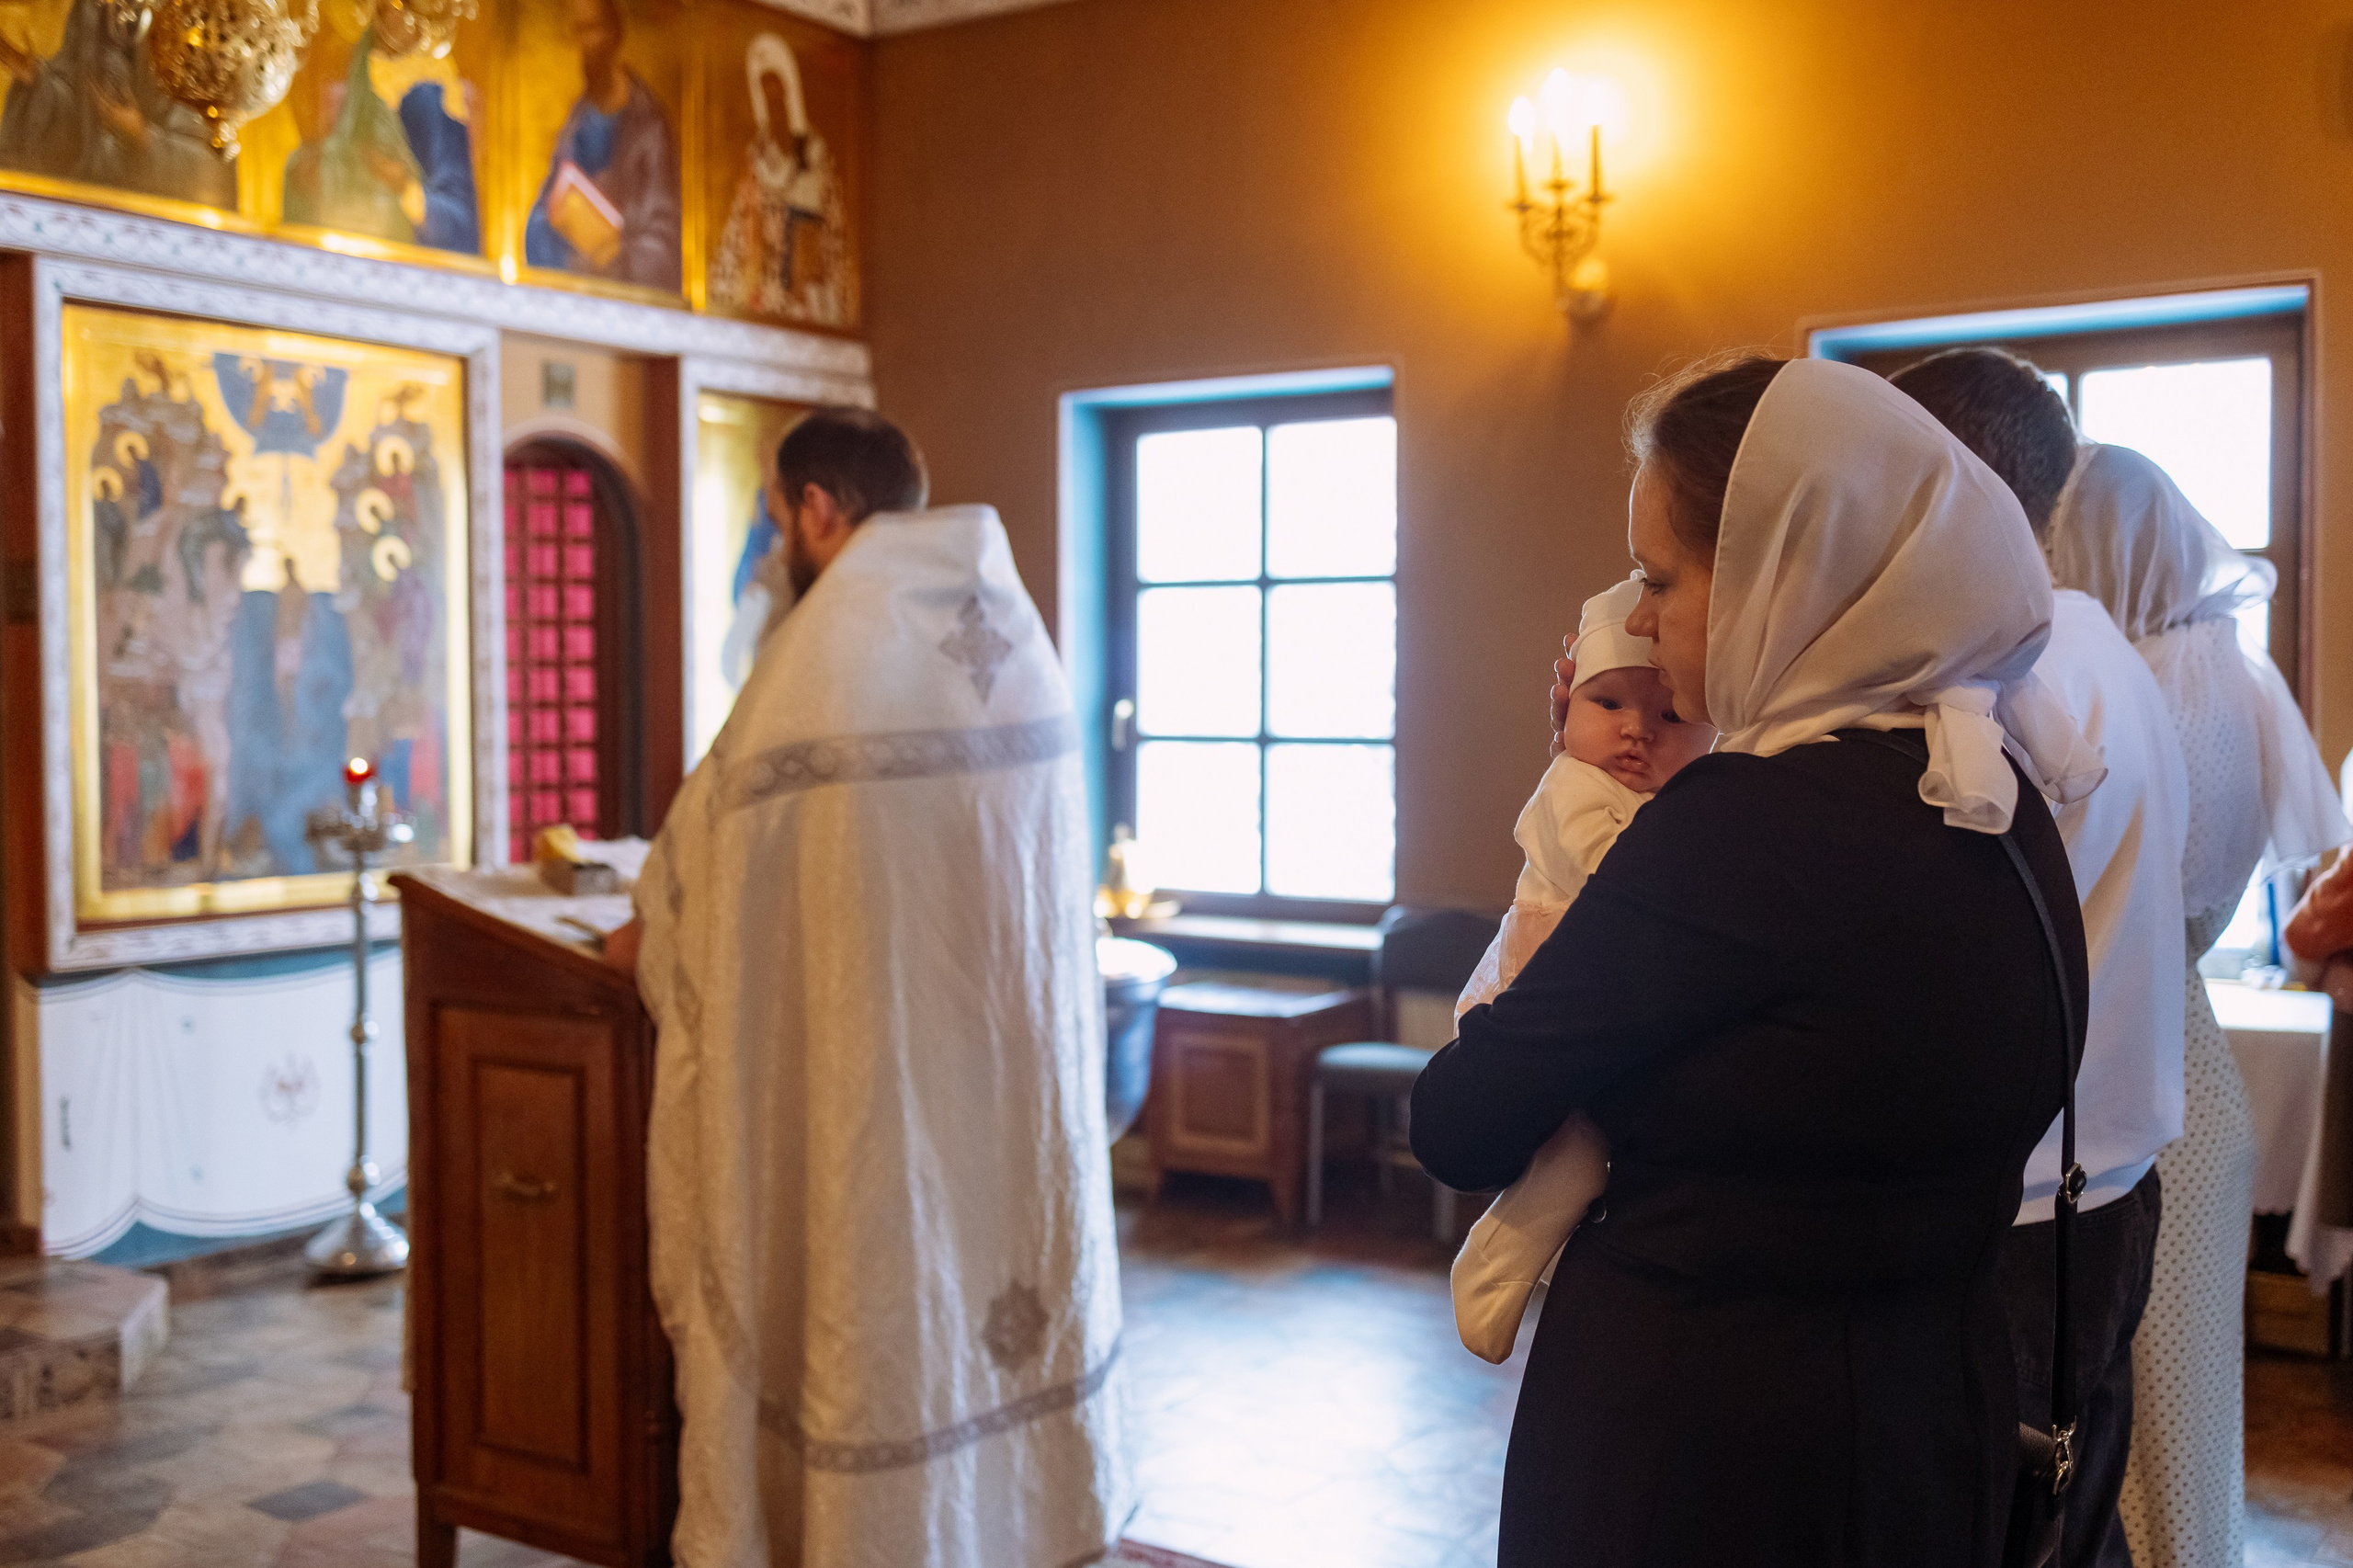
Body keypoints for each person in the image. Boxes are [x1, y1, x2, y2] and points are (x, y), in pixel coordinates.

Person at [1415, 353, 2101, 1566]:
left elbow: (1461, 1120)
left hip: (1707, 1442)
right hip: (1931, 1417)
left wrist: (1533, 957)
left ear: (1779, 571)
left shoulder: (1741, 825)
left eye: (1664, 576)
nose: (1648, 614)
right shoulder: (2003, 803)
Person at [607, 409, 1131, 1567]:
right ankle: (1015, 1523)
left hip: (870, 1090)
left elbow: (695, 875)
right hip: (1000, 1090)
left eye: (773, 513)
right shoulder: (1016, 638)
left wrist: (652, 922)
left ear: (813, 508)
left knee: (875, 1297)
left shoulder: (819, 662)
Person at [1891, 346, 2190, 1568]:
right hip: (2110, 1179)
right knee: (2074, 1509)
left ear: (1932, 478)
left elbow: (1929, 949)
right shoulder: (2107, 650)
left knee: (1997, 1525)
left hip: (2015, 1194)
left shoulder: (1989, 669)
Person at [2042, 437, 2349, 1568]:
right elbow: (2211, 902)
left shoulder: (2124, 690)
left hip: (2114, 1074)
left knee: (2114, 1420)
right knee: (2186, 1417)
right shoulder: (2234, 676)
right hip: (2197, 1067)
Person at [1449, 572, 1714, 1364]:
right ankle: (1494, 1266)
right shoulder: (1574, 788)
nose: (1637, 730)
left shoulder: (1684, 806)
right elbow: (1625, 896)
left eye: (1669, 714)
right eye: (1608, 704)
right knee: (1576, 1161)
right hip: (1527, 993)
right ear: (1566, 713)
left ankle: (1515, 1265)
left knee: (1590, 1159)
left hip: (1581, 1006)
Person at [522, 0, 681, 291]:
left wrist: (617, 256)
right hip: (574, 283)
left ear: (614, 35)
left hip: (624, 289)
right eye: (578, 31)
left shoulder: (649, 126)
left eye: (592, 29)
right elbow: (542, 214)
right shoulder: (577, 122)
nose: (585, 43)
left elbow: (664, 244)